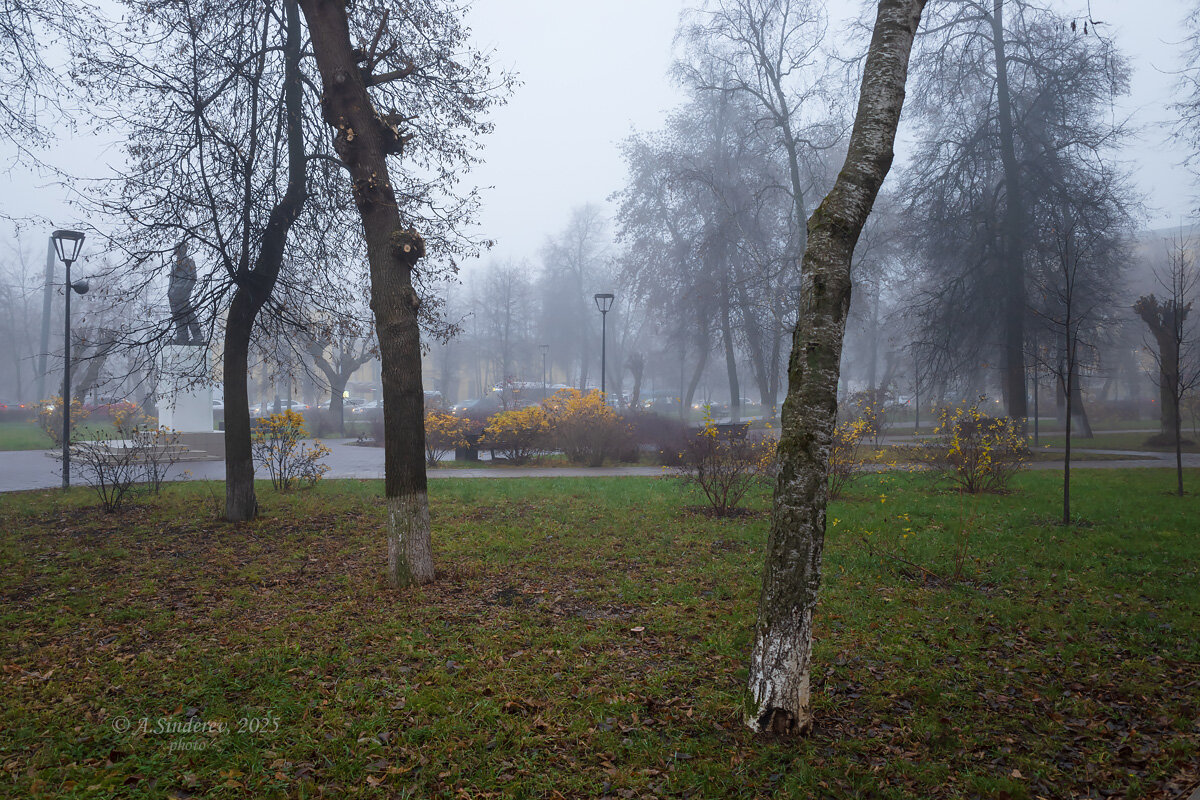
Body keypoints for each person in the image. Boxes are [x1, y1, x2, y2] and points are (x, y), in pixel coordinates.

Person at [168, 241, 204, 345]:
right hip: (173, 296)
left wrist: (185, 292)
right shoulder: (174, 265)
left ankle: (198, 336)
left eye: (179, 250)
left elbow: (192, 278)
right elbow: (171, 280)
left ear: (184, 250)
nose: (177, 252)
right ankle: (182, 337)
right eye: (176, 250)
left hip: (183, 294)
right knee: (178, 316)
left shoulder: (189, 262)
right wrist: (169, 293)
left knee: (189, 314)